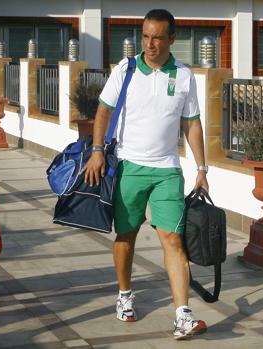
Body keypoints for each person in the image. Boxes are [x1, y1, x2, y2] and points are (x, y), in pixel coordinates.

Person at [82, 8, 210, 340]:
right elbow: (103, 111)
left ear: (172, 39)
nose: (150, 44)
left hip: (167, 169)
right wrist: (97, 152)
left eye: (157, 37)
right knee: (126, 236)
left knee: (172, 238)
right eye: (146, 36)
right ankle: (124, 295)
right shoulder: (124, 70)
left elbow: (191, 122)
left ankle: (182, 313)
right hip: (128, 166)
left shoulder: (183, 75)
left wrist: (202, 168)